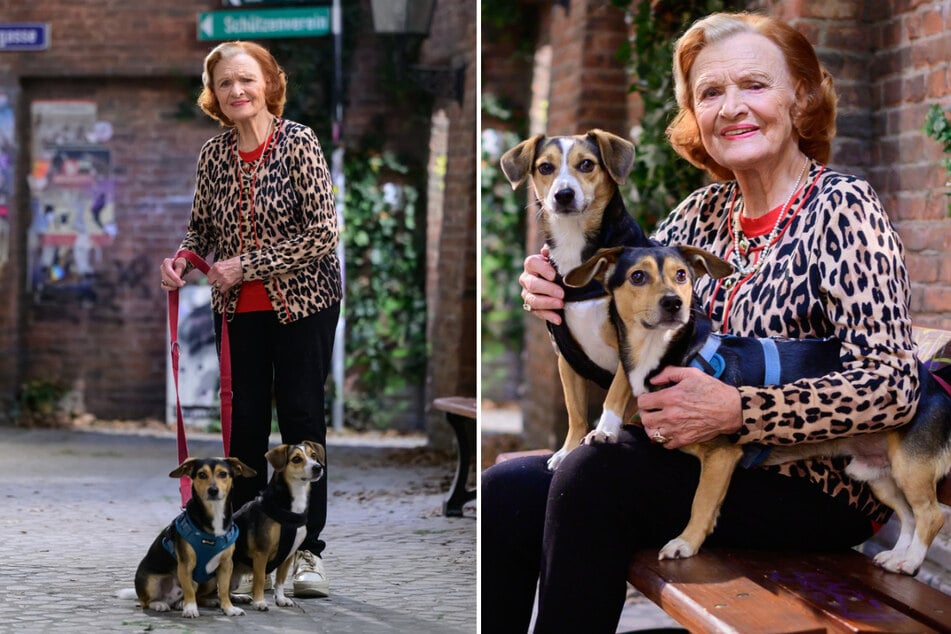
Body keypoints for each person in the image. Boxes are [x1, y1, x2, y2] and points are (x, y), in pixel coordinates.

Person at [482, 12, 920, 633]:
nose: (732, 106)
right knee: (508, 487)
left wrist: (743, 410)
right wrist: (555, 296)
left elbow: (893, 385)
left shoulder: (845, 209)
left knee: (592, 477)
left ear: (800, 96)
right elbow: (622, 313)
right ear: (694, 115)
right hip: (694, 457)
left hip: (814, 481)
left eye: (754, 85)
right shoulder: (701, 213)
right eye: (710, 92)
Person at [159, 41, 340, 598]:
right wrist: (182, 260)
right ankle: (236, 553)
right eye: (224, 84)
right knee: (244, 431)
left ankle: (306, 551)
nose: (236, 91)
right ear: (213, 95)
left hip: (303, 305)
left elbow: (323, 234)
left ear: (268, 83)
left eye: (246, 80)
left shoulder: (300, 144)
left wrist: (250, 264)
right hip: (238, 312)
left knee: (303, 422)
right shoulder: (213, 155)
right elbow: (201, 231)